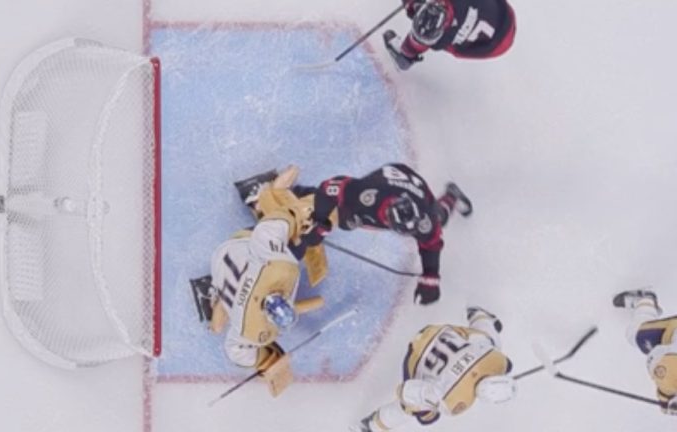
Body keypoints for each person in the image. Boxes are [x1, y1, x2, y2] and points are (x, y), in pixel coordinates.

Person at [200, 185, 324, 396]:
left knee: (293, 243)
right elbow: (236, 353)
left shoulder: (278, 267)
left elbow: (269, 230)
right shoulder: (246, 330)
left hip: (237, 246)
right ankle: (217, 298)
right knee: (219, 325)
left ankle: (259, 203)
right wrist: (263, 363)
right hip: (220, 266)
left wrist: (297, 218)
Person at [294, 163, 471, 306]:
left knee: (437, 219)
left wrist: (430, 278)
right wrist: (320, 223)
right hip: (389, 179)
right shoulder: (366, 196)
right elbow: (329, 187)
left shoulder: (424, 218)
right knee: (344, 215)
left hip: (418, 189)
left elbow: (431, 244)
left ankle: (451, 196)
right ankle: (297, 193)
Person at [354, 306, 515, 431]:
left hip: (437, 331)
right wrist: (421, 398)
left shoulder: (495, 359)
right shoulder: (453, 399)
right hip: (416, 353)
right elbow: (404, 391)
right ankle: (370, 426)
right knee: (421, 412)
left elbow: (505, 364)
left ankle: (478, 314)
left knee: (488, 341)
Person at [383, 0, 516, 70]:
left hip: (495, 35)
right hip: (503, 20)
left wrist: (412, 4)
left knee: (429, 23)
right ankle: (408, 53)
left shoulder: (437, 25)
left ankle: (407, 53)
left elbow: (426, 24)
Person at [613, 289, 677, 414]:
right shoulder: (670, 372)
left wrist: (667, 399)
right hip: (671, 333)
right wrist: (666, 398)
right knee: (635, 334)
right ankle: (644, 300)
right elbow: (656, 355)